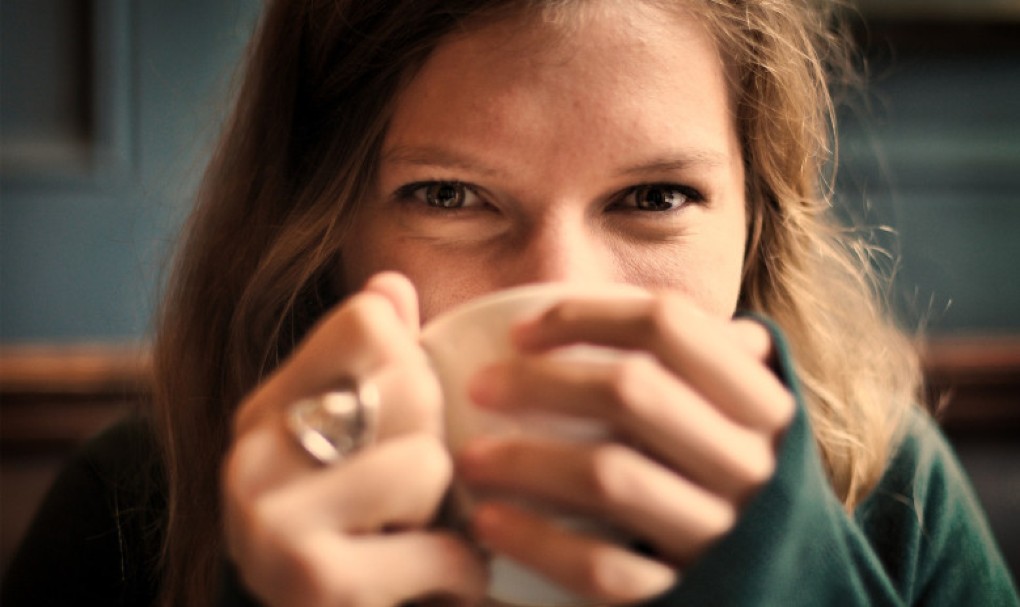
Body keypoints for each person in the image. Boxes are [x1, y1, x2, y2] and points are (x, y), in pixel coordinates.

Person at [4, 1, 1017, 606]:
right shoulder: (134, 510)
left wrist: (783, 579)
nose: (556, 294)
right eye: (449, 196)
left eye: (656, 198)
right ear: (326, 227)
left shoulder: (889, 498)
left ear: (760, 225)